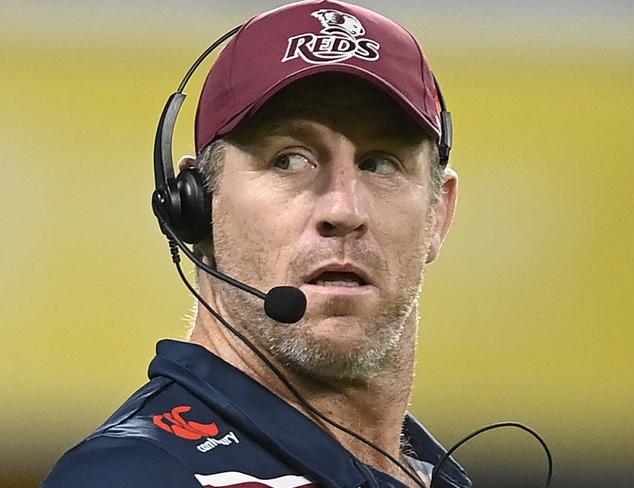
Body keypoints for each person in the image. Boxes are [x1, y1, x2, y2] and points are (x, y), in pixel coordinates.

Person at [41, 1, 470, 487]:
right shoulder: (134, 475)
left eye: (380, 163)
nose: (344, 210)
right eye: (289, 159)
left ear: (440, 213)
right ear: (197, 206)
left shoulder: (431, 476)